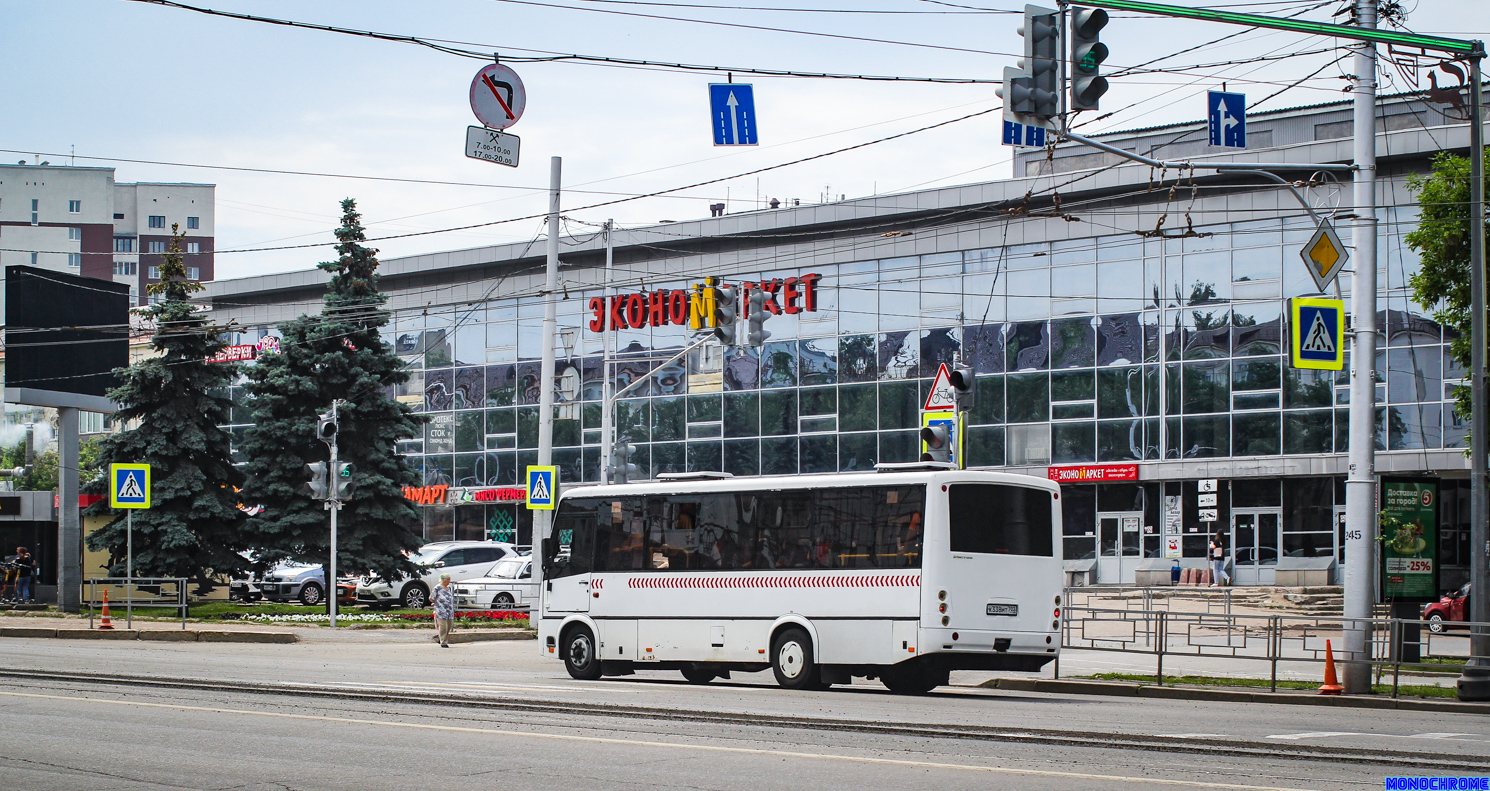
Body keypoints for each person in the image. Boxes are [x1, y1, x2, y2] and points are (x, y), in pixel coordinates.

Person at [431, 572, 456, 648]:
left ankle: (440, 638)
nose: (449, 581)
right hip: (441, 611)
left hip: (449, 611)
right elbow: (431, 598)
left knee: (449, 626)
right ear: (443, 580)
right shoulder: (437, 588)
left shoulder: (449, 588)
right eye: (448, 579)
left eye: (449, 579)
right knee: (443, 626)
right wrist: (437, 603)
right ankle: (443, 642)